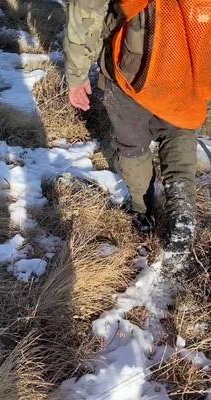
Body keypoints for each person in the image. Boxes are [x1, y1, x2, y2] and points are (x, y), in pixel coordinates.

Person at [64, 0, 211, 264]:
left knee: (132, 144)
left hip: (132, 66)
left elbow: (88, 7)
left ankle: (143, 212)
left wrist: (76, 73)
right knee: (179, 128)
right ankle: (180, 204)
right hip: (194, 56)